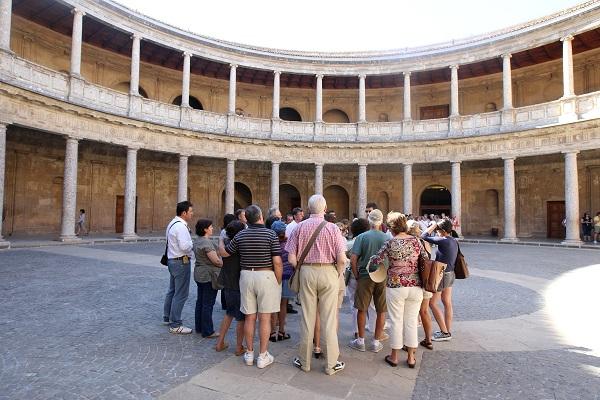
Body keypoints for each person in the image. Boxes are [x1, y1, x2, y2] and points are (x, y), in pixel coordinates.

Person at [286, 194, 347, 376]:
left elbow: (291, 258)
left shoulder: (299, 227)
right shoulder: (333, 229)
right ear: (325, 208)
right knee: (329, 319)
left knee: (307, 317)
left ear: (309, 208)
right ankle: (331, 364)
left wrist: (302, 269)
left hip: (306, 271)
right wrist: (336, 273)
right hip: (329, 271)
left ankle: (304, 362)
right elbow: (342, 259)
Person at [222, 205, 282, 369]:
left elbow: (227, 252)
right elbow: (277, 261)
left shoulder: (241, 234)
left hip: (246, 275)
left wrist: (220, 242)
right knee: (264, 317)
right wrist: (278, 280)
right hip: (266, 274)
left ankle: (249, 353)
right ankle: (262, 355)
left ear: (246, 218)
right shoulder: (270, 234)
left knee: (249, 316)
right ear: (261, 216)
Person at [370, 212, 427, 368]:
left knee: (396, 321)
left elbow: (377, 259)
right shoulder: (416, 241)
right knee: (411, 320)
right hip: (415, 285)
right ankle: (410, 357)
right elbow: (426, 258)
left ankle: (394, 356)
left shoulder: (390, 242)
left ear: (391, 228)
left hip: (396, 286)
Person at [349, 209, 389, 353]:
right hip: (382, 275)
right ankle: (376, 342)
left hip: (365, 275)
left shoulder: (362, 237)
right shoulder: (387, 237)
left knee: (361, 308)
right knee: (381, 309)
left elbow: (353, 259)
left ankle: (360, 340)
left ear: (369, 220)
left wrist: (356, 274)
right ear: (381, 221)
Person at [421, 218, 458, 342]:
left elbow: (423, 236)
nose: (436, 232)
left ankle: (445, 332)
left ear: (442, 231)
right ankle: (447, 330)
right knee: (447, 302)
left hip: (442, 274)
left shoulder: (443, 240)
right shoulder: (453, 240)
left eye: (437, 230)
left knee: (432, 303)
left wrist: (434, 225)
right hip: (450, 273)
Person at [215, 220, 247, 355]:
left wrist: (221, 240)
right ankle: (239, 347)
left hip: (228, 283)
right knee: (241, 318)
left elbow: (221, 252)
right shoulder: (240, 245)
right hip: (238, 284)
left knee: (229, 313)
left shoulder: (226, 244)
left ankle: (220, 342)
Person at [163, 201, 195, 334]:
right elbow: (185, 246)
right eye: (191, 212)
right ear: (184, 213)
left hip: (172, 260)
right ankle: (175, 324)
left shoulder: (172, 223)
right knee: (181, 293)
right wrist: (192, 243)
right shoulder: (181, 227)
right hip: (181, 262)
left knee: (172, 290)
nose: (192, 214)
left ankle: (167, 317)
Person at [407, 220, 434, 350]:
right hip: (426, 280)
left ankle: (409, 344)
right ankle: (428, 339)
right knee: (424, 311)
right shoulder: (426, 242)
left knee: (411, 314)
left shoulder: (410, 243)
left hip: (415, 281)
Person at [193, 219, 223, 338]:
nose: (212, 228)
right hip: (208, 276)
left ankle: (199, 327)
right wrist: (223, 264)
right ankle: (207, 331)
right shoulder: (206, 243)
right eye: (210, 227)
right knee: (208, 303)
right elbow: (215, 260)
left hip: (199, 273)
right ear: (205, 229)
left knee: (200, 301)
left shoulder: (198, 241)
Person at [269, 220, 295, 342]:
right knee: (283, 304)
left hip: (273, 276)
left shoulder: (270, 243)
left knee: (273, 305)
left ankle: (272, 332)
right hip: (287, 276)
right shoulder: (289, 242)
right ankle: (282, 331)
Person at [345, 218, 370, 339]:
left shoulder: (349, 244)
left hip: (354, 276)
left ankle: (357, 331)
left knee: (354, 303)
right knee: (372, 304)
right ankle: (374, 329)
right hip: (368, 274)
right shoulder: (368, 241)